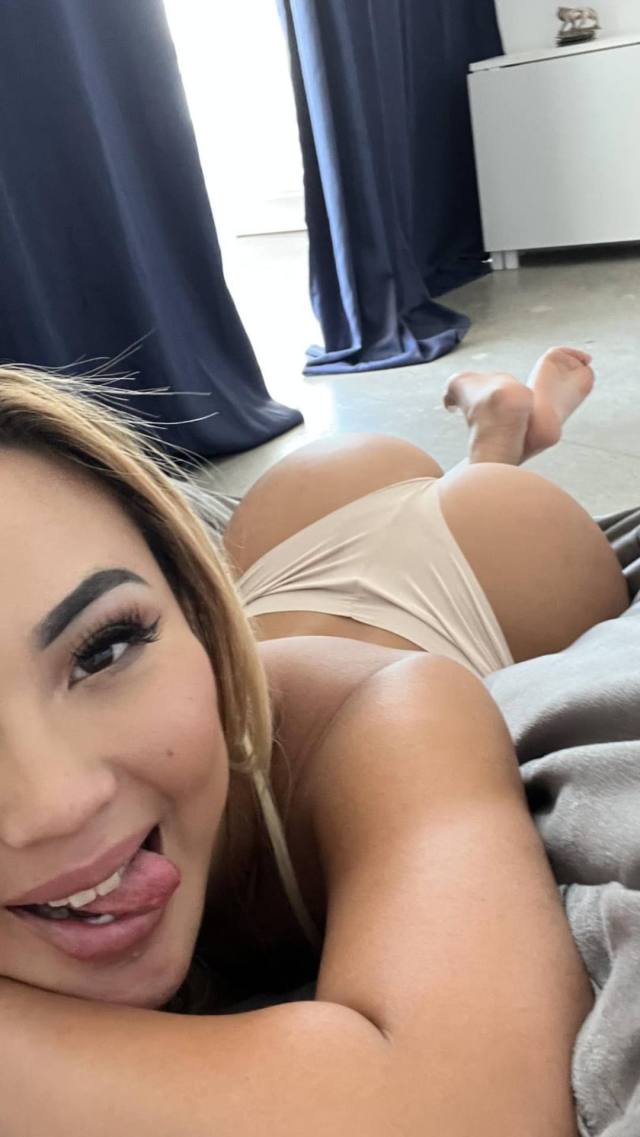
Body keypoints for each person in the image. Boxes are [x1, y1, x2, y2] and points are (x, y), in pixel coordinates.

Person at [0, 351, 627, 1137]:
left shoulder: (394, 710)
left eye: (106, 648)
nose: (56, 805)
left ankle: (496, 450)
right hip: (286, 563)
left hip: (475, 566)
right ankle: (499, 427)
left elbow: (460, 1112)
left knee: (485, 493)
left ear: (196, 607)